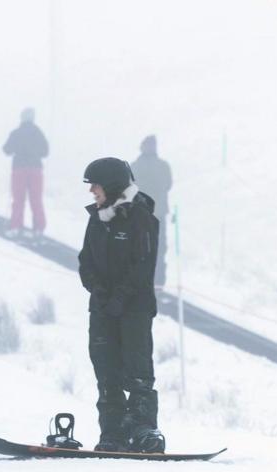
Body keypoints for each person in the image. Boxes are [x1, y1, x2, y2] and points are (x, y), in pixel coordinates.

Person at [78, 157, 165, 453]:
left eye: (96, 186)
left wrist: (120, 298)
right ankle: (112, 431)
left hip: (135, 308)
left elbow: (143, 265)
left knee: (138, 369)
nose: (92, 192)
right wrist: (100, 292)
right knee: (106, 370)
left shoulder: (141, 218)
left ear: (113, 185)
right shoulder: (96, 218)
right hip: (102, 309)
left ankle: (144, 429)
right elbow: (85, 261)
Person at [1, 107, 49, 240]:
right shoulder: (38, 132)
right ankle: (38, 228)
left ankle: (16, 226)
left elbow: (6, 150)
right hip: (35, 169)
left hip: (19, 169)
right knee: (36, 200)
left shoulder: (16, 133)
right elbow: (45, 152)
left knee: (18, 199)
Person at [131, 135, 173, 286]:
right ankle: (158, 282)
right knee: (158, 249)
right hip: (157, 213)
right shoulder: (163, 166)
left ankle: (144, 281)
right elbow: (168, 184)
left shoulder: (135, 166)